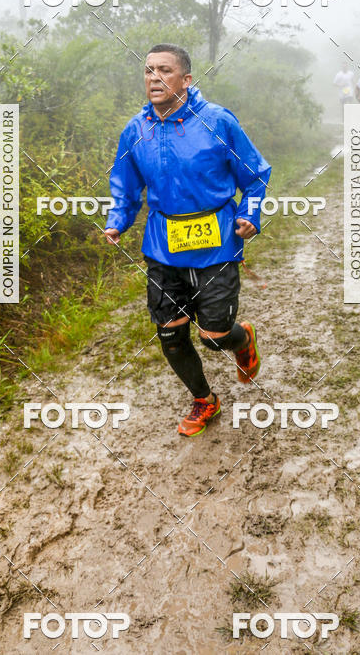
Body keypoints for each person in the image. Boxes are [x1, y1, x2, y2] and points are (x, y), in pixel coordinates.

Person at [103, 44, 271, 438]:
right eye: (148, 71)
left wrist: (250, 214)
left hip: (216, 243)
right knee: (170, 334)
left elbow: (256, 174)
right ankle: (204, 400)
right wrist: (117, 221)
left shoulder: (217, 121)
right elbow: (125, 188)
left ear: (186, 80)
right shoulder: (135, 129)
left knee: (213, 337)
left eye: (164, 70)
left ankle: (241, 337)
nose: (154, 78)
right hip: (163, 245)